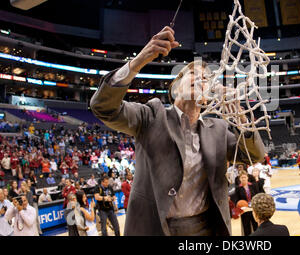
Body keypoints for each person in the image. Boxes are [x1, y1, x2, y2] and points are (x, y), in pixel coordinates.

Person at [90, 27, 265, 236]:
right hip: (155, 228)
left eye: (206, 79)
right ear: (175, 88)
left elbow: (255, 155)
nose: (201, 79)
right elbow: (103, 107)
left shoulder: (218, 129)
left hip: (206, 229)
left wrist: (241, 117)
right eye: (193, 74)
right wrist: (139, 61)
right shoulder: (152, 116)